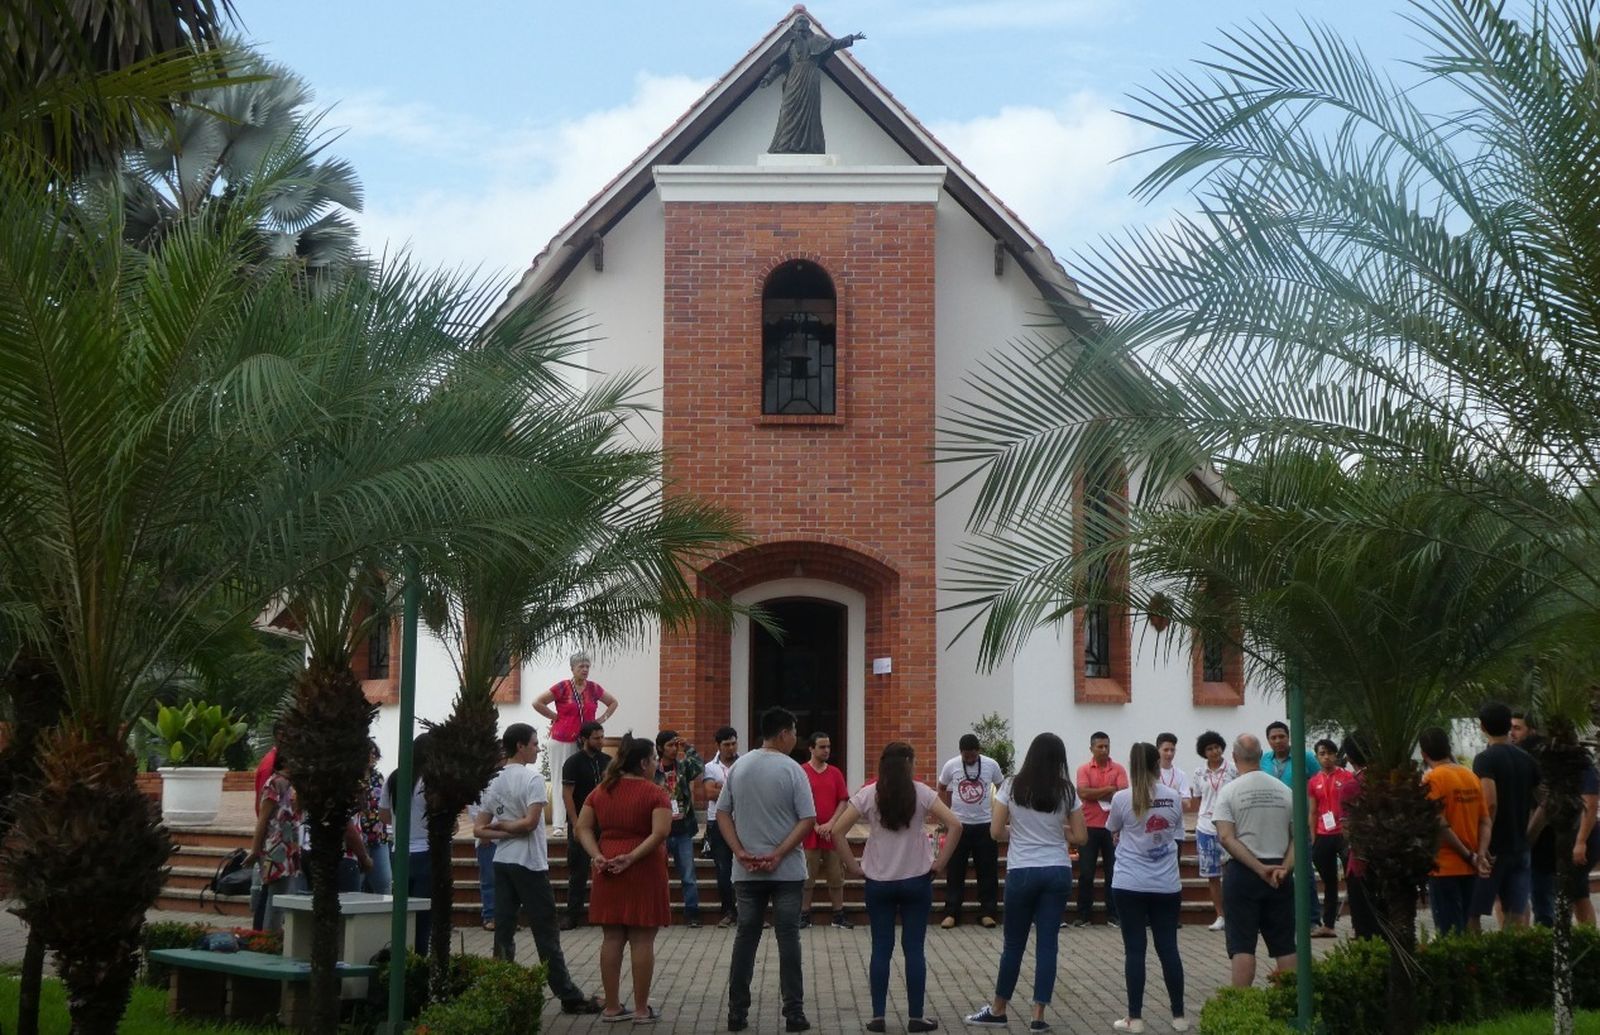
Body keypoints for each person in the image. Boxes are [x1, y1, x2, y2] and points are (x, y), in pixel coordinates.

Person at [834, 742, 961, 1033]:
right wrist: (939, 863)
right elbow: (956, 825)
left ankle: (878, 1017)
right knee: (914, 949)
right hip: (917, 879)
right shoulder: (922, 793)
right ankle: (916, 1017)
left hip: (878, 880)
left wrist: (853, 866)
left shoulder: (869, 794)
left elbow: (838, 830)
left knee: (881, 949)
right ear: (909, 763)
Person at [475, 723, 602, 1015]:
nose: (537, 748)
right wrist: (510, 827)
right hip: (529, 864)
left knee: (504, 930)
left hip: (503, 862)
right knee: (546, 932)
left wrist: (502, 831)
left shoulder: (493, 780)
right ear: (520, 746)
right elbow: (531, 823)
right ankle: (568, 995)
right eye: (533, 744)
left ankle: (500, 990)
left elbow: (480, 829)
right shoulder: (532, 778)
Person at [965, 732, 1086, 1033]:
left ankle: (998, 1009)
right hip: (1056, 869)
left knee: (1014, 944)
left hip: (1022, 870)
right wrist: (1060, 833)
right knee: (1048, 944)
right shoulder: (1067, 790)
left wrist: (1017, 833)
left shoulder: (1011, 784)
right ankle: (1038, 1016)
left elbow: (995, 831)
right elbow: (1082, 837)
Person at [716, 707, 817, 1033]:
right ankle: (794, 1013)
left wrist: (740, 851)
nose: (796, 738)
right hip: (786, 872)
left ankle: (736, 1013)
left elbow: (722, 814)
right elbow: (808, 820)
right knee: (789, 939)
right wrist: (778, 854)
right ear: (784, 733)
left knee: (746, 937)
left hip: (746, 871)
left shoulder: (739, 767)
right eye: (794, 732)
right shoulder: (793, 770)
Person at [575, 732, 672, 1024]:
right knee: (642, 938)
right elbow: (660, 833)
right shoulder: (656, 793)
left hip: (607, 868)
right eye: (654, 759)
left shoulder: (601, 790)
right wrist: (631, 857)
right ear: (643, 763)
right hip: (642, 867)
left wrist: (597, 855)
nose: (656, 764)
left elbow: (582, 828)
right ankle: (642, 1009)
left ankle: (613, 1007)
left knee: (612, 937)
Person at [1108, 742, 1189, 1033]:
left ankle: (1135, 1018)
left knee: (1134, 950)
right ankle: (1179, 1016)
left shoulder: (1121, 798)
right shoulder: (1173, 797)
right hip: (1166, 884)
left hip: (1129, 882)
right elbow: (1175, 834)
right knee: (1168, 948)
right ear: (1158, 764)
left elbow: (1113, 829)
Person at [1212, 734, 1295, 988]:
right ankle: (1292, 1003)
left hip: (1243, 872)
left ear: (1234, 758)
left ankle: (1241, 1008)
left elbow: (1226, 837)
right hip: (1280, 872)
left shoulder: (1229, 791)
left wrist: (1259, 869)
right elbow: (1300, 837)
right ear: (1261, 756)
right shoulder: (1284, 790)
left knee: (1242, 946)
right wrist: (1284, 868)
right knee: (1284, 945)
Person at [1471, 701, 1540, 930]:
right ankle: (1516, 959)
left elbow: (1490, 803)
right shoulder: (1527, 759)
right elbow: (1547, 802)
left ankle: (1473, 962)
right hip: (1520, 848)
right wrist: (1529, 835)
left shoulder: (1485, 759)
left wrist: (1483, 845)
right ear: (1509, 725)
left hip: (1494, 849)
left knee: (1473, 913)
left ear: (1482, 727)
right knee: (1515, 914)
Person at [533, 649, 618, 833]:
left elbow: (613, 702)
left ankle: (588, 819)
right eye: (581, 666)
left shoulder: (594, 688)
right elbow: (537, 702)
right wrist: (555, 716)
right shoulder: (562, 687)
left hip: (586, 740)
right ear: (572, 668)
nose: (585, 669)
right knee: (561, 779)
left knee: (587, 777)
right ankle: (558, 824)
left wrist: (601, 720)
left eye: (587, 666)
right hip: (562, 739)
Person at [1419, 727, 1489, 935]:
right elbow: (1485, 820)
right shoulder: (1470, 776)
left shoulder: (1432, 779)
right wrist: (1480, 854)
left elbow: (1439, 823)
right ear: (1449, 748)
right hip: (1472, 866)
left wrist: (1468, 855)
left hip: (1445, 866)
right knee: (1466, 927)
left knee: (1449, 932)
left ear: (1424, 754)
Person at [1527, 745, 1600, 928]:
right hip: (1564, 837)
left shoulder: (1582, 768)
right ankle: (1586, 937)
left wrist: (1581, 842)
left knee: (1575, 890)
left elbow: (1590, 805)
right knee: (1577, 891)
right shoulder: (1552, 770)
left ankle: (1585, 937)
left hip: (1580, 835)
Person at [938, 732, 1003, 930]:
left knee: (988, 871)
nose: (970, 759)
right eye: (966, 756)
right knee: (955, 870)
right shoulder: (951, 765)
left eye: (973, 755)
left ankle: (987, 912)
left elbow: (1003, 788)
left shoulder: (991, 765)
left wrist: (999, 814)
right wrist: (946, 815)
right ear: (961, 752)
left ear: (979, 751)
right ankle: (951, 912)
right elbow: (941, 787)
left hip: (985, 825)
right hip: (959, 826)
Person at [379, 732, 434, 954]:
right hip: (425, 852)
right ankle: (420, 957)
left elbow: (384, 815)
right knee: (423, 914)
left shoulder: (394, 777)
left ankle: (401, 954)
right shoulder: (429, 780)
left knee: (401, 910)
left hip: (398, 851)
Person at [1073, 731, 1128, 927]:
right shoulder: (1083, 769)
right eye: (1100, 747)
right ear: (1091, 748)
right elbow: (1083, 792)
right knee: (1086, 872)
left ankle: (1114, 914)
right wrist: (1109, 789)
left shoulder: (1119, 769)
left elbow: (1122, 795)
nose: (1104, 750)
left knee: (1113, 871)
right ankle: (1083, 915)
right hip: (1089, 826)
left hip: (1112, 827)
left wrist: (1097, 793)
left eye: (1107, 746)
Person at [652, 728, 704, 927]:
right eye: (670, 745)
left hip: (682, 829)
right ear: (660, 748)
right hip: (660, 830)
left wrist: (687, 747)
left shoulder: (682, 767)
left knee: (688, 876)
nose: (674, 749)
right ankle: (658, 913)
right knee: (657, 875)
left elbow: (699, 765)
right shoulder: (653, 771)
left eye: (676, 745)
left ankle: (692, 914)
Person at [247, 751, 303, 933]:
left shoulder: (294, 786)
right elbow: (263, 819)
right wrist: (255, 850)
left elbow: (297, 812)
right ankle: (269, 938)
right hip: (275, 849)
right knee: (275, 898)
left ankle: (274, 935)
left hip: (291, 848)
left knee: (283, 896)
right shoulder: (274, 783)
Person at [801, 731, 852, 928]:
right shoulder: (801, 772)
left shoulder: (835, 773)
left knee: (836, 875)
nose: (826, 750)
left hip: (832, 833)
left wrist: (831, 824)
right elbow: (798, 802)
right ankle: (804, 914)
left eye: (828, 747)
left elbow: (843, 800)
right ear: (811, 748)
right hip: (808, 833)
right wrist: (813, 824)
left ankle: (838, 914)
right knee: (807, 875)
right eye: (822, 747)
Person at [560, 720, 608, 930]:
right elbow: (567, 794)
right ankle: (573, 914)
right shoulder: (573, 762)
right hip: (581, 821)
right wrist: (575, 822)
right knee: (578, 870)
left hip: (604, 822)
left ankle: (605, 913)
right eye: (596, 738)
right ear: (584, 739)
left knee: (606, 867)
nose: (601, 741)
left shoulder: (607, 761)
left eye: (602, 737)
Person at [1306, 738, 1354, 937]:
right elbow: (1313, 811)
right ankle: (1329, 925)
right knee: (1329, 881)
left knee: (1353, 878)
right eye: (1321, 754)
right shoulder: (1313, 781)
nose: (1326, 757)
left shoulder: (1348, 776)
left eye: (1329, 753)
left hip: (1343, 834)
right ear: (1317, 757)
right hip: (1323, 835)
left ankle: (1359, 924)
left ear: (1336, 755)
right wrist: (1313, 837)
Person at [1190, 730, 1237, 932]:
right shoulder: (1199, 774)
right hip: (1205, 827)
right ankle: (1220, 915)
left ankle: (1236, 914)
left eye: (1217, 747)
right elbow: (1198, 800)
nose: (1214, 751)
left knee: (1232, 872)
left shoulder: (1233, 770)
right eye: (1209, 749)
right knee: (1212, 874)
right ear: (1204, 752)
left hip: (1229, 826)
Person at [1339, 732, 1381, 939]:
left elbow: (1349, 830)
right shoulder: (1391, 779)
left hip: (1363, 866)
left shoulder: (1352, 786)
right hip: (1395, 864)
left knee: (1366, 931)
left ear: (1349, 758)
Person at [702, 726, 740, 928]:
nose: (731, 748)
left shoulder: (745, 764)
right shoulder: (710, 767)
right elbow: (708, 793)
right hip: (716, 821)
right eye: (726, 744)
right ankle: (728, 911)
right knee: (723, 868)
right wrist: (734, 791)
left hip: (742, 820)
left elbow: (750, 791)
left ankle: (747, 912)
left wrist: (721, 789)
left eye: (733, 743)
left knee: (745, 866)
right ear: (718, 746)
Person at [359, 739, 393, 895]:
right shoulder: (353, 778)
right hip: (359, 836)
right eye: (369, 753)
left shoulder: (378, 777)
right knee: (358, 884)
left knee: (384, 882)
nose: (372, 757)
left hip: (378, 836)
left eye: (374, 754)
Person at [1263, 721, 1318, 787]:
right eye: (1273, 738)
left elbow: (1320, 783)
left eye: (1281, 736)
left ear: (1288, 737)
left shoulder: (1305, 756)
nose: (1278, 741)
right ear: (1268, 740)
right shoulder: (1264, 759)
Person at [1155, 733, 1190, 800]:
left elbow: (1187, 803)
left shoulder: (1181, 775)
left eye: (1172, 750)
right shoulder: (1150, 774)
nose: (1169, 753)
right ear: (1157, 750)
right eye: (1166, 750)